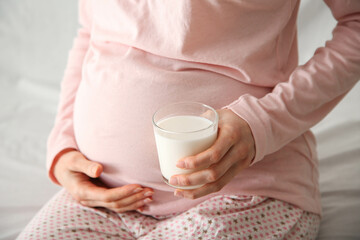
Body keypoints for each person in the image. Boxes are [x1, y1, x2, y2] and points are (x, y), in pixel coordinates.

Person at [18, 0, 360, 239]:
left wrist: (263, 123)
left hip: (243, 197)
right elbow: (94, 31)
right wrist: (63, 145)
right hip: (103, 196)